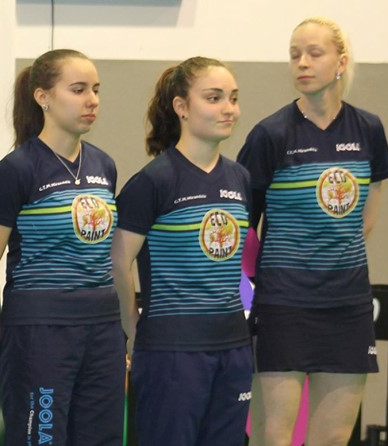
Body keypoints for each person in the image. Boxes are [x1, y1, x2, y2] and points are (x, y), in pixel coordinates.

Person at [238, 17, 388, 446]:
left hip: (347, 305)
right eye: (294, 54)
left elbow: (369, 203)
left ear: (341, 62)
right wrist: (259, 290)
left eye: (314, 53)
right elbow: (242, 228)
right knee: (275, 435)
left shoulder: (368, 129)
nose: (302, 63)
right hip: (284, 304)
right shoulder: (270, 134)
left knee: (333, 437)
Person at [0, 49, 124, 446]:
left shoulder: (104, 166)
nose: (91, 100)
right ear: (42, 97)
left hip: (102, 329)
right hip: (40, 332)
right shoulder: (15, 171)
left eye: (95, 90)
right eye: (78, 90)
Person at [110, 56, 252, 445]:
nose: (229, 109)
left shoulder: (240, 178)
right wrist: (133, 329)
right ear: (182, 107)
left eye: (233, 98)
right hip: (172, 351)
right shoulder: (154, 181)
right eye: (214, 97)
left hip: (233, 349)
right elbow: (117, 264)